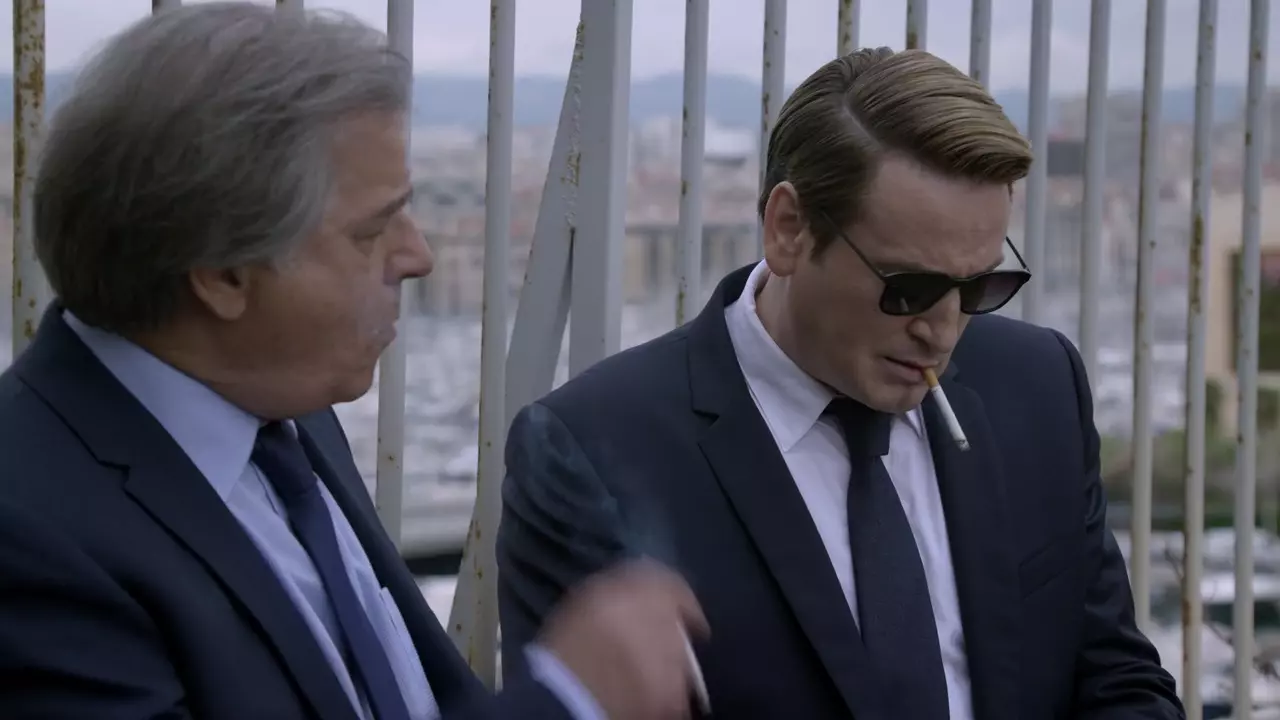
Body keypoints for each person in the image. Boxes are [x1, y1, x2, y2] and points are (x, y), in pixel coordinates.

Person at [0, 4, 707, 719]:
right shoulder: (30, 538)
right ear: (222, 274)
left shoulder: (277, 408)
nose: (418, 256)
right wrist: (568, 700)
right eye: (372, 232)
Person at [497, 47, 1185, 719]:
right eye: (909, 288)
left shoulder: (1036, 387)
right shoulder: (591, 452)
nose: (944, 329)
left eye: (982, 287)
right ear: (788, 230)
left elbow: (1117, 678)